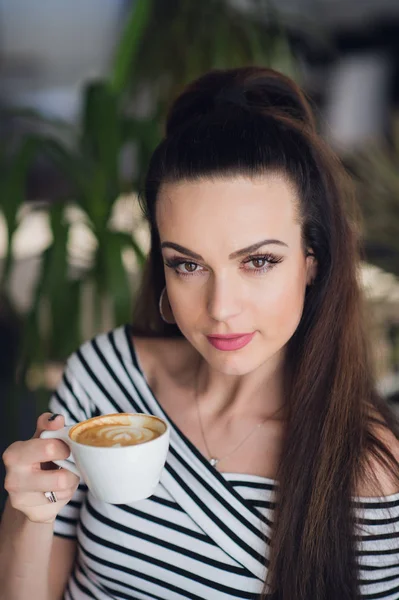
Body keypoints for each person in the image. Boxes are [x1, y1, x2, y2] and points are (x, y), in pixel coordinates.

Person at [1, 66, 399, 600]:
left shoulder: (370, 474)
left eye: (258, 261)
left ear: (311, 261)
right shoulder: (103, 376)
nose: (220, 308)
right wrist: (29, 517)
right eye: (188, 265)